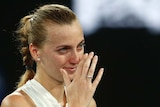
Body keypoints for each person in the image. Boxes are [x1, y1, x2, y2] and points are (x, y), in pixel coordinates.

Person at [1, 3, 104, 107]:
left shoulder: (87, 102)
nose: (76, 58)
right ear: (35, 52)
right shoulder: (16, 103)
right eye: (63, 49)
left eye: (80, 46)